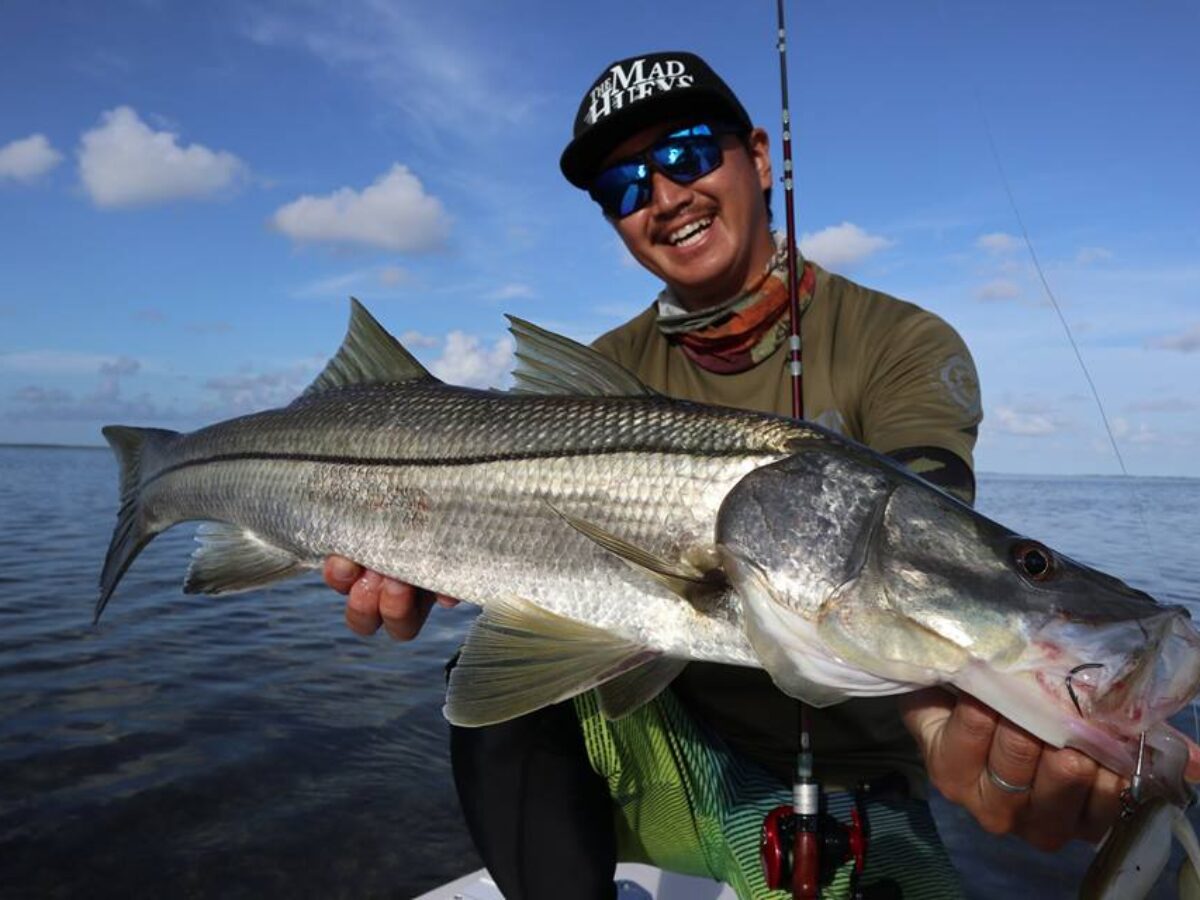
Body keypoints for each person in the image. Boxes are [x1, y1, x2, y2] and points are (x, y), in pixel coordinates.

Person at [325, 51, 1168, 897]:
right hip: (655, 752)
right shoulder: (600, 372)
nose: (663, 196)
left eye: (688, 153)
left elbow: (918, 557)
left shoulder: (900, 343)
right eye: (623, 187)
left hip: (847, 786)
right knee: (495, 682)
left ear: (759, 157)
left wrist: (953, 716)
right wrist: (433, 551)